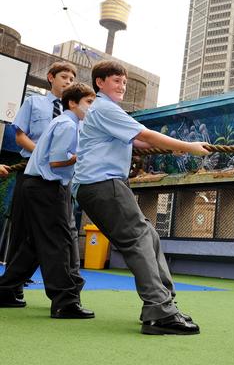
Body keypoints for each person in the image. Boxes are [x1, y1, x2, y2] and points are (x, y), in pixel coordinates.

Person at [72, 60, 210, 335]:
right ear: (100, 83)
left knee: (148, 235)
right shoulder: (105, 108)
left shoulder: (104, 111)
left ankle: (164, 301)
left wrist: (171, 149)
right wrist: (188, 147)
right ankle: (159, 311)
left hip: (99, 186)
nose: (122, 85)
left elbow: (138, 141)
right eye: (116, 80)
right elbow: (144, 133)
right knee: (138, 238)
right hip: (102, 184)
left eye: (124, 81)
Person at [0, 83, 95, 318]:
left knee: (34, 244)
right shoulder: (67, 124)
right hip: (47, 186)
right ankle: (65, 300)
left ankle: (5, 290)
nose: (92, 108)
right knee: (59, 241)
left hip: (38, 186)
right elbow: (56, 161)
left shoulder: (67, 123)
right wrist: (79, 157)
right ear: (73, 103)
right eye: (89, 102)